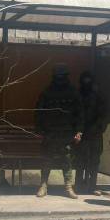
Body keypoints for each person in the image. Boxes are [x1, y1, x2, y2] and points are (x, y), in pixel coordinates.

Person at [35, 64, 83, 199]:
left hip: (66, 133)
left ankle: (68, 187)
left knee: (67, 161)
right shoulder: (47, 93)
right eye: (58, 77)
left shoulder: (73, 93)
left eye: (62, 77)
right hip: (50, 133)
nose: (60, 80)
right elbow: (39, 112)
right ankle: (43, 185)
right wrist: (39, 130)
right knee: (46, 159)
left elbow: (80, 113)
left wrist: (79, 131)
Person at [75, 71, 107, 194]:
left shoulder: (98, 96)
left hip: (95, 134)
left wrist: (98, 128)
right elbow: (75, 114)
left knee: (94, 161)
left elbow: (103, 115)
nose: (86, 84)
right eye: (85, 81)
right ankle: (79, 185)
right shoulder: (77, 95)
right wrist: (78, 130)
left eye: (88, 81)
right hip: (82, 134)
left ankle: (91, 186)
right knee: (80, 161)